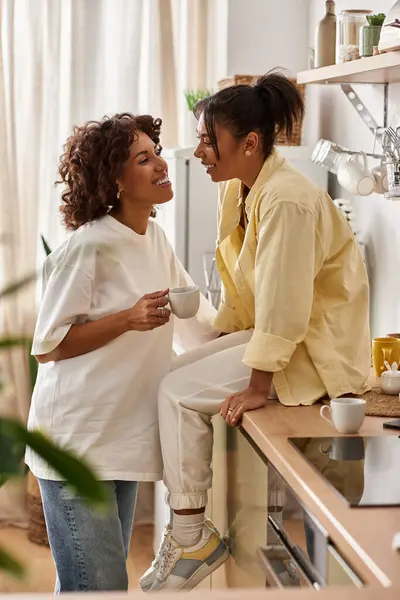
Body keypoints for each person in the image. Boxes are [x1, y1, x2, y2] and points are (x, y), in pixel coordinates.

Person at [144, 71, 371, 592]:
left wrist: (256, 386)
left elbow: (285, 304)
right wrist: (214, 341)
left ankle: (190, 534)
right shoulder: (242, 191)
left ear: (249, 142)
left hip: (311, 354)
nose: (199, 151)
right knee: (174, 374)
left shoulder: (286, 199)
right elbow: (247, 295)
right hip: (283, 341)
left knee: (176, 393)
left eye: (208, 139)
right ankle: (192, 531)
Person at [25, 113, 220, 593]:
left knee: (96, 586)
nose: (160, 164)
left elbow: (196, 324)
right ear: (115, 180)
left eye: (156, 153)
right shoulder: (88, 247)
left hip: (119, 439)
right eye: (144, 158)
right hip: (76, 445)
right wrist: (126, 319)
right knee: (98, 586)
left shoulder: (155, 238)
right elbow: (47, 347)